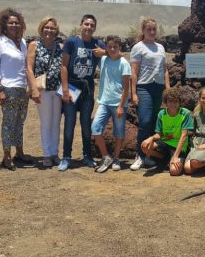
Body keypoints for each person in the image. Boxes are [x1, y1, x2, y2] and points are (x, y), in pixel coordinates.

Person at [59, 14, 106, 171]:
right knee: (69, 123)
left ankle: (87, 156)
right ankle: (66, 157)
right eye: (86, 24)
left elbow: (114, 54)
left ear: (95, 28)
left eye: (92, 25)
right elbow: (63, 66)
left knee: (86, 124)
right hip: (72, 87)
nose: (88, 27)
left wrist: (104, 52)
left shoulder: (98, 43)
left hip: (87, 89)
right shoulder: (72, 41)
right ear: (81, 25)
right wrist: (65, 89)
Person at [0, 7, 31, 171]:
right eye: (11, 23)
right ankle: (7, 156)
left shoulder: (23, 43)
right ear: (4, 24)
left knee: (20, 121)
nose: (14, 25)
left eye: (17, 23)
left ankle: (19, 152)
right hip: (8, 88)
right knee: (8, 123)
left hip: (22, 88)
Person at [130, 18, 169, 171]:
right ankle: (139, 155)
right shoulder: (138, 47)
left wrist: (168, 89)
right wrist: (134, 93)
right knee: (145, 121)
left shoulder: (161, 47)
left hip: (158, 88)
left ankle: (149, 155)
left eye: (154, 29)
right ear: (143, 30)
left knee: (154, 122)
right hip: (144, 87)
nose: (152, 32)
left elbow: (165, 70)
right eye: (149, 29)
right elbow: (134, 72)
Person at [25, 16, 63, 168]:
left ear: (56, 30)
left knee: (56, 122)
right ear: (42, 28)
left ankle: (55, 153)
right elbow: (29, 68)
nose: (49, 30)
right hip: (43, 89)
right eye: (46, 27)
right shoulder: (34, 45)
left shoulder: (60, 46)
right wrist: (33, 89)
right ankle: (47, 154)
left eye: (52, 28)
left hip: (58, 89)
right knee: (46, 122)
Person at [91, 35, 131, 173]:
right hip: (104, 102)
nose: (112, 49)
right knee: (95, 128)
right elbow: (95, 53)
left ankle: (116, 158)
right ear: (106, 47)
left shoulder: (124, 63)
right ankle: (106, 156)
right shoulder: (103, 60)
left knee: (119, 131)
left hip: (118, 103)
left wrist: (121, 106)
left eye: (115, 46)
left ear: (120, 47)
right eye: (110, 47)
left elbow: (126, 87)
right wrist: (104, 52)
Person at [140, 87, 193, 174]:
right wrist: (151, 138)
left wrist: (175, 156)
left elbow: (184, 136)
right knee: (144, 146)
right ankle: (164, 159)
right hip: (165, 142)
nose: (173, 104)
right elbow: (159, 134)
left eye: (175, 101)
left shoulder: (185, 113)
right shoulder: (162, 113)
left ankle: (172, 159)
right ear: (166, 102)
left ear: (179, 102)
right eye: (170, 101)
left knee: (174, 171)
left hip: (179, 146)